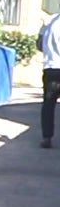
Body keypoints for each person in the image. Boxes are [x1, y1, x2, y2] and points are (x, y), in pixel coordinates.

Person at [41, 9, 60, 149]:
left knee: (49, 104)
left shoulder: (48, 21)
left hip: (51, 67)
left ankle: (47, 137)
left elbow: (39, 44)